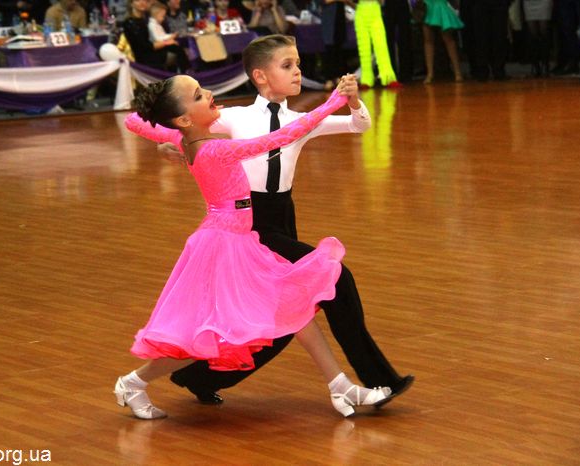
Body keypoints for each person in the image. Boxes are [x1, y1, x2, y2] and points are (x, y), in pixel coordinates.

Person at [116, 77, 393, 420]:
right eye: (199, 95)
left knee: (293, 309)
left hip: (238, 239)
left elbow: (134, 121)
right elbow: (280, 138)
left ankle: (341, 387)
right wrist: (333, 101)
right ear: (185, 118)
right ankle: (133, 382)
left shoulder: (184, 138)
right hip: (227, 246)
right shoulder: (215, 150)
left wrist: (166, 138)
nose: (210, 94)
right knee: (208, 336)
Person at [162, 34, 414, 407]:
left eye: (297, 64)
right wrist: (170, 143)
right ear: (260, 76)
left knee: (279, 323)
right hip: (250, 224)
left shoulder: (301, 121)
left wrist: (354, 101)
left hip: (283, 217)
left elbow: (358, 125)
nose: (297, 71)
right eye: (287, 65)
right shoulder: (235, 117)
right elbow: (186, 126)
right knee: (337, 279)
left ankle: (199, 378)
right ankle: (381, 379)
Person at [124, 0, 188, 71]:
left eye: (144, 0)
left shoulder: (143, 19)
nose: (142, 2)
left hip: (150, 51)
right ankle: (186, 72)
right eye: (138, 0)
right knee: (177, 50)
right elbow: (145, 46)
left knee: (177, 47)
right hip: (145, 57)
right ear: (131, 3)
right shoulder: (130, 22)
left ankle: (184, 72)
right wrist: (166, 43)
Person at [354, 0, 400, 88]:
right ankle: (366, 80)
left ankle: (388, 78)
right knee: (363, 48)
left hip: (374, 10)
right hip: (360, 10)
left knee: (381, 46)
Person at [422, 0, 463, 83]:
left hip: (441, 5)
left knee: (448, 40)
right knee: (428, 40)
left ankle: (458, 72)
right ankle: (430, 73)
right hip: (426, 5)